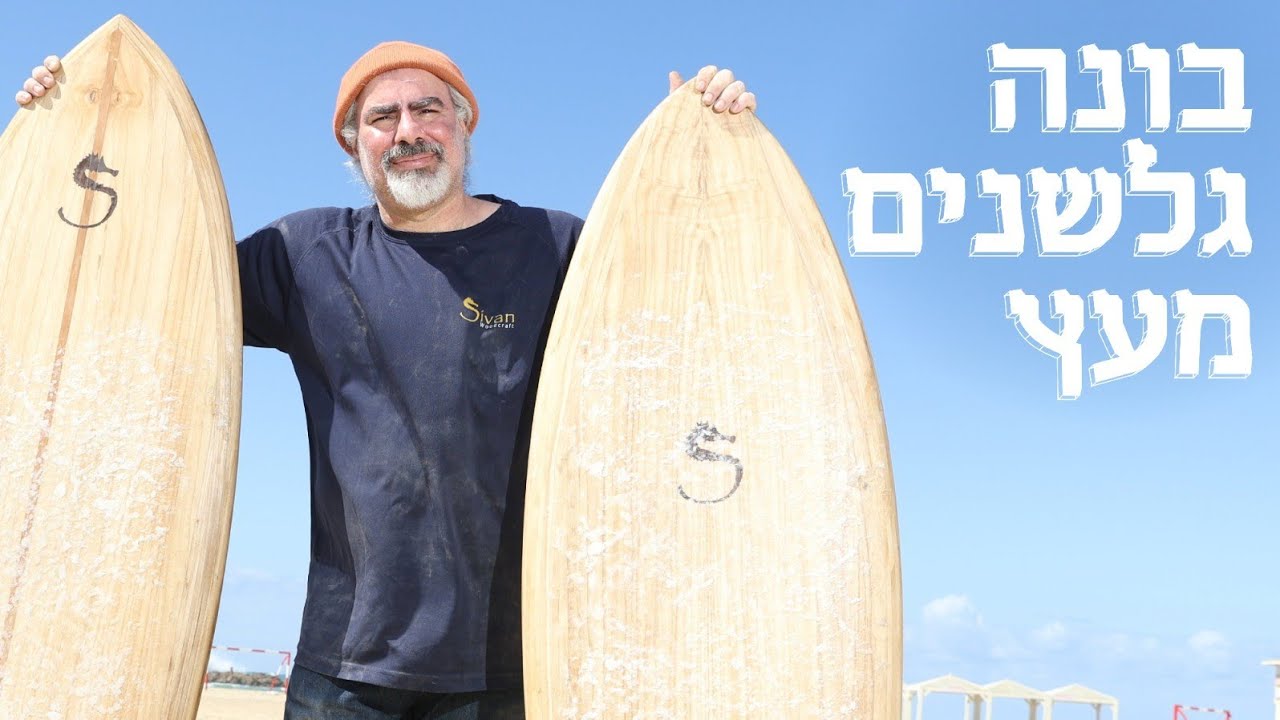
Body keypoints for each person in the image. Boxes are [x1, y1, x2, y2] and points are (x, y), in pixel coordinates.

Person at [16, 41, 755, 719]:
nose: (408, 130)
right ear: (354, 143)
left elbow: (685, 318)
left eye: (428, 108)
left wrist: (701, 160)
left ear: (464, 126)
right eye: (382, 117)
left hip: (515, 663)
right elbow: (144, 283)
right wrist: (72, 132)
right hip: (344, 668)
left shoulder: (555, 248)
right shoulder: (305, 253)